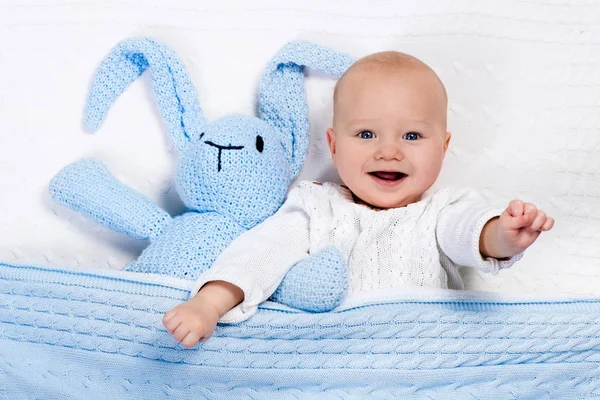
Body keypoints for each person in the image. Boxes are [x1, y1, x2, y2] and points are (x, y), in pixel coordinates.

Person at [163, 50, 555, 348]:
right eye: (366, 135)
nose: (389, 152)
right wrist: (209, 304)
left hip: (422, 353)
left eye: (413, 136)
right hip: (337, 354)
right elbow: (261, 254)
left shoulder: (440, 211)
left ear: (443, 146)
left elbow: (469, 233)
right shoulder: (317, 207)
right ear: (333, 146)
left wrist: (503, 234)